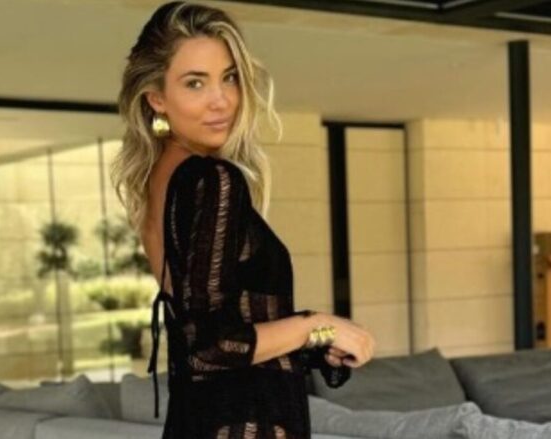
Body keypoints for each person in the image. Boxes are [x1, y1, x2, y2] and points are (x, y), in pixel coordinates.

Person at [109, 2, 376, 438]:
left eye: (229, 77)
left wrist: (318, 341)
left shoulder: (159, 182)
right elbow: (210, 348)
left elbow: (227, 334)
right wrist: (315, 325)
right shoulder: (211, 180)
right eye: (195, 83)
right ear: (157, 97)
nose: (222, 100)